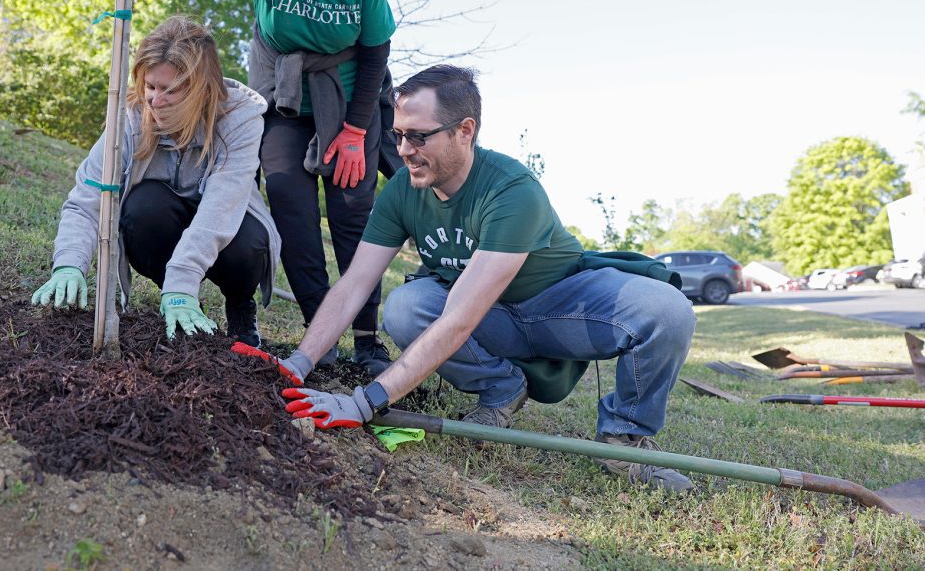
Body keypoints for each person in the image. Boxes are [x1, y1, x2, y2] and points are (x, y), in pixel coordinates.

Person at [242, 65, 698, 491]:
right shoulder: (403, 188)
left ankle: (623, 439)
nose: (403, 151)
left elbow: (460, 317)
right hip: (492, 317)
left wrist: (365, 403)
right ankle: (500, 389)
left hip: (560, 308)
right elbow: (355, 283)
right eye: (399, 136)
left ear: (465, 130)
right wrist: (297, 364)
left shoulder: (510, 189)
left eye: (418, 137)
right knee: (406, 307)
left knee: (666, 311)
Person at [148, 0, 396, 375]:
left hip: (349, 102)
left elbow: (376, 49)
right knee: (291, 209)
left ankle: (368, 340)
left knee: (353, 216)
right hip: (283, 100)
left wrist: (355, 131)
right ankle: (320, 333)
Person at [31, 16, 281, 346]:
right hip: (164, 217)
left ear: (201, 91)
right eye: (150, 86)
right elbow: (89, 197)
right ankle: (179, 303)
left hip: (226, 224)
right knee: (142, 210)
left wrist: (184, 279)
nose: (154, 101)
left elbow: (221, 209)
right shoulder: (130, 117)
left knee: (249, 246)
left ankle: (237, 304)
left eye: (170, 90)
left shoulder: (240, 119)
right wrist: (69, 263)